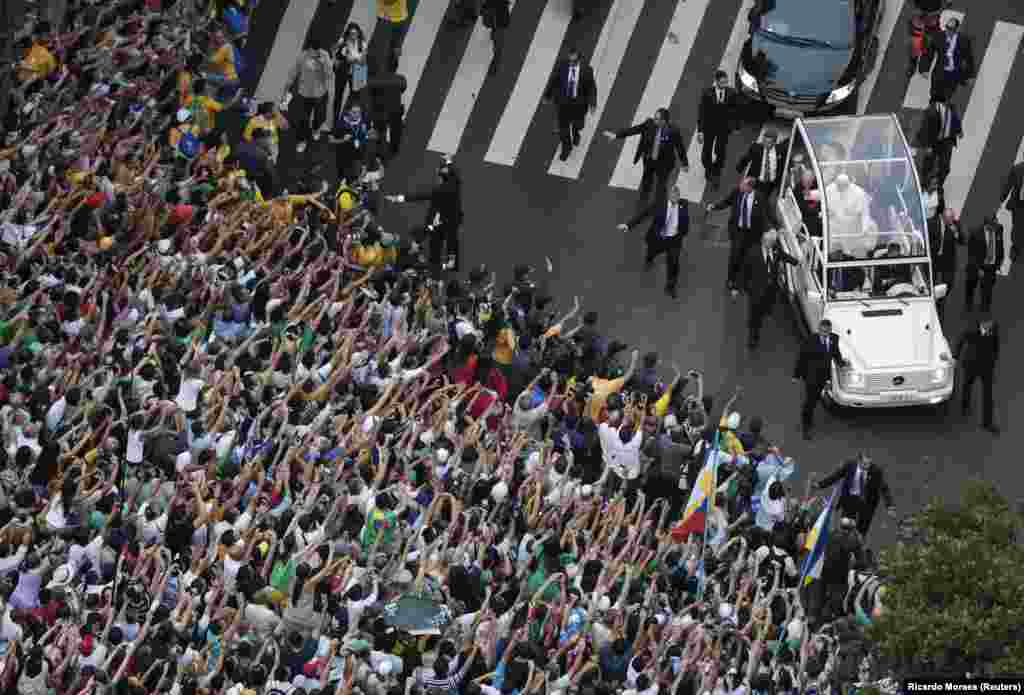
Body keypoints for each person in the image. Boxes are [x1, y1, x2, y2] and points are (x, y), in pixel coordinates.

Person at [385, 156, 464, 274]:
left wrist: (398, 198)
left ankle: (436, 264)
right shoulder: (455, 184)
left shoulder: (439, 191)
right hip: (452, 219)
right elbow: (454, 172)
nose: (436, 176)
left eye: (438, 174)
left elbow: (420, 196)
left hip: (439, 221)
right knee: (451, 241)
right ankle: (451, 264)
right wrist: (448, 162)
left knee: (436, 241)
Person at [616, 184, 690, 298]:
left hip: (674, 241)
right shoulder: (659, 204)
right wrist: (628, 225)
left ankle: (670, 286)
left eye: (677, 195)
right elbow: (644, 215)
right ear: (668, 195)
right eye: (673, 195)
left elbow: (685, 223)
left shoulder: (684, 205)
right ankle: (649, 260)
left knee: (674, 264)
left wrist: (682, 233)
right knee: (651, 252)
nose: (675, 198)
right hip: (658, 239)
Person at [603, 108, 689, 206]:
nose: (654, 120)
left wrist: (685, 163)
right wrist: (616, 135)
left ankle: (659, 205)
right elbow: (634, 130)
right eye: (655, 117)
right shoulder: (649, 124)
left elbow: (680, 147)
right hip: (649, 160)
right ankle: (642, 204)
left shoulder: (673, 131)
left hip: (664, 164)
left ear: (664, 121)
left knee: (661, 186)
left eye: (657, 119)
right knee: (646, 182)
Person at [706, 176, 773, 294]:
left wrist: (770, 229)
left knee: (747, 258)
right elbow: (727, 201)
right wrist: (715, 206)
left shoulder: (760, 198)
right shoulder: (737, 192)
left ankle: (742, 281)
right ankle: (731, 279)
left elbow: (764, 216)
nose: (740, 186)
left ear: (750, 187)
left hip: (752, 233)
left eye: (743, 185)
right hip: (738, 230)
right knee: (735, 255)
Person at [740, 228, 798, 349]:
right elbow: (744, 271)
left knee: (767, 304)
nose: (771, 245)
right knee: (754, 316)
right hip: (756, 290)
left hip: (771, 288)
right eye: (769, 243)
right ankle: (753, 337)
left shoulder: (775, 250)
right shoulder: (753, 253)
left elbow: (785, 257)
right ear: (763, 241)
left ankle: (766, 310)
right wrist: (743, 287)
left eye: (773, 243)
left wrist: (797, 262)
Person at [792, 319, 848, 440]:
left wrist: (842, 363)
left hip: (825, 376)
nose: (824, 333)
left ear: (830, 330)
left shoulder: (834, 339)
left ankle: (811, 411)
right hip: (811, 377)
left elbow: (835, 353)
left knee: (816, 398)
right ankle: (806, 426)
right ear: (819, 330)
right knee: (810, 402)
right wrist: (796, 375)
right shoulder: (811, 340)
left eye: (826, 331)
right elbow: (802, 358)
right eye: (822, 331)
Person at [816, 453, 895, 537]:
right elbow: (835, 476)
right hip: (850, 499)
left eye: (869, 464)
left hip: (866, 503)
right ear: (859, 461)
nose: (867, 467)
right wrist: (820, 485)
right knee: (845, 525)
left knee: (861, 531)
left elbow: (884, 488)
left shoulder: (876, 471)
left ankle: (858, 546)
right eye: (864, 464)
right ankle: (843, 542)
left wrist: (890, 506)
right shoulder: (849, 465)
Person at [545, 48, 597, 162]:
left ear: (579, 59)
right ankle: (566, 147)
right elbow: (554, 80)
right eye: (570, 59)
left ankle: (576, 132)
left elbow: (591, 87)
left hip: (579, 104)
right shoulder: (561, 66)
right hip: (563, 103)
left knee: (578, 124)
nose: (571, 63)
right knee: (563, 128)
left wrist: (592, 104)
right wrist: (548, 95)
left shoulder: (587, 70)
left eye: (574, 60)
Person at [283, 38, 335, 154]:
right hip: (305, 93)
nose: (314, 53)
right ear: (308, 48)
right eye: (312, 50)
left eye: (316, 51)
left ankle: (316, 129)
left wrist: (323, 64)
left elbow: (330, 75)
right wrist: (287, 86)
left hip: (320, 93)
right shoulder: (302, 56)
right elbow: (294, 72)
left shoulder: (324, 55)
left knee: (320, 115)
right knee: (303, 119)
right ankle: (302, 140)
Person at [956, 315, 1000, 434]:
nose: (988, 329)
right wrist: (956, 356)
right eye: (986, 326)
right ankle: (965, 407)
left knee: (988, 395)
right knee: (967, 386)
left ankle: (987, 423)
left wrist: (994, 360)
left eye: (990, 326)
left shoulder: (994, 328)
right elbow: (961, 340)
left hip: (987, 368)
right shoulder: (971, 331)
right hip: (971, 365)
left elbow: (996, 345)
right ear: (981, 324)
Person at [697, 70, 738, 189]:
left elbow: (735, 111)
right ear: (716, 82)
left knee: (720, 152)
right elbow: (702, 113)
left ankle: (716, 174)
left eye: (726, 82)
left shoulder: (731, 93)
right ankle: (709, 169)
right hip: (709, 128)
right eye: (722, 82)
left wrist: (736, 126)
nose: (725, 84)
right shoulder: (707, 93)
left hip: (724, 129)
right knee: (706, 153)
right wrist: (700, 131)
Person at [925, 16, 975, 102]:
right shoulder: (939, 36)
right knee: (934, 96)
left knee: (946, 98)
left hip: (953, 75)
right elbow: (929, 52)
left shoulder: (964, 41)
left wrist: (969, 76)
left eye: (951, 29)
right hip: (939, 73)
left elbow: (968, 58)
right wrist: (924, 68)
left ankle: (939, 111)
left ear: (957, 29)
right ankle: (933, 110)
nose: (948, 31)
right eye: (947, 28)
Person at [916, 95, 962, 186]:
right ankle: (924, 183)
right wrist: (928, 145)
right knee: (928, 163)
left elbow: (956, 119)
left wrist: (959, 130)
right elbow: (926, 128)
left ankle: (937, 183)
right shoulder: (932, 109)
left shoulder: (951, 107)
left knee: (945, 167)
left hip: (947, 141)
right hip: (934, 141)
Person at [364, 63, 407, 157]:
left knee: (380, 131)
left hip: (380, 110)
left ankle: (379, 151)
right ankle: (394, 149)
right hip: (396, 110)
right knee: (395, 132)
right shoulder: (401, 79)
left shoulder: (375, 79)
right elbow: (403, 89)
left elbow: (369, 90)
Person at [963, 214, 1004, 313]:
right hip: (977, 266)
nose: (996, 225)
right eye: (994, 224)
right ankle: (968, 305)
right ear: (987, 225)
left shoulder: (999, 229)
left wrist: (1000, 260)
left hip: (991, 267)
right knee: (971, 286)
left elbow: (1000, 245)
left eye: (996, 222)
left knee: (988, 289)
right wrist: (978, 269)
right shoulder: (975, 232)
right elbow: (971, 254)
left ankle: (985, 308)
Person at [928, 201, 960, 320]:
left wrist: (955, 232)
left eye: (952, 219)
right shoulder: (932, 223)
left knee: (948, 283)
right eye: (948, 220)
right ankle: (932, 301)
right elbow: (927, 240)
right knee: (931, 280)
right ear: (943, 217)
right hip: (935, 258)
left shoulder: (954, 225)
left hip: (947, 259)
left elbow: (962, 240)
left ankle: (941, 302)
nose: (950, 222)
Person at [333, 22, 369, 123]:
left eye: (355, 33)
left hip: (357, 72)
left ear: (358, 33)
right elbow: (333, 49)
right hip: (343, 71)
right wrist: (335, 60)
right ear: (348, 33)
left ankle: (350, 121)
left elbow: (364, 60)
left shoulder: (362, 43)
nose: (353, 35)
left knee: (355, 98)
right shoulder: (343, 41)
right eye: (351, 33)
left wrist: (357, 61)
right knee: (338, 96)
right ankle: (335, 120)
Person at [736, 128, 785, 195]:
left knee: (762, 199)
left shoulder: (780, 150)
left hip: (770, 183)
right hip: (755, 180)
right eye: (764, 141)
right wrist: (739, 168)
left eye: (768, 143)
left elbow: (783, 164)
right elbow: (747, 158)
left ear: (774, 142)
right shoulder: (756, 148)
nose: (765, 144)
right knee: (748, 196)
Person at [374, 0, 411, 73]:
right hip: (385, 19)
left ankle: (391, 73)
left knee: (395, 50)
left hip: (401, 18)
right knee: (382, 50)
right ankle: (382, 74)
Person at [999, 159, 1024, 263]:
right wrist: (1001, 199)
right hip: (1019, 205)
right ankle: (1016, 249)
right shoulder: (1017, 168)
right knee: (1018, 228)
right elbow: (1008, 185)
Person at [481, 0, 512, 74]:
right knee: (498, 48)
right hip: (499, 25)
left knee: (498, 48)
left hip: (498, 25)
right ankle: (494, 67)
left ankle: (494, 67)